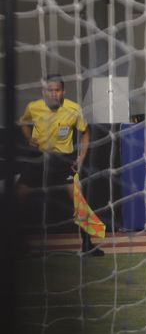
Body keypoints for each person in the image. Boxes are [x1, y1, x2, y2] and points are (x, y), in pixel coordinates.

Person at [18, 75, 104, 256]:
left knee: (78, 198)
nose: (54, 94)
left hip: (63, 161)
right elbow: (23, 122)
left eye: (57, 90)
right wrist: (29, 139)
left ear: (63, 91)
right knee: (18, 197)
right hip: (38, 159)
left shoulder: (74, 109)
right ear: (44, 92)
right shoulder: (33, 107)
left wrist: (80, 158)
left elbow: (85, 133)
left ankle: (87, 244)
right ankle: (17, 242)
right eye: (50, 90)